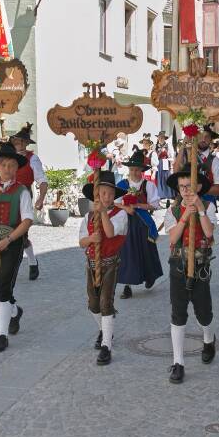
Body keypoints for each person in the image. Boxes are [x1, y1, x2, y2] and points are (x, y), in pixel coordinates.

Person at [163, 165, 217, 384]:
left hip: (201, 265)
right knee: (178, 313)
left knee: (204, 312)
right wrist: (186, 214)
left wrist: (200, 210)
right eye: (182, 187)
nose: (186, 191)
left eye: (190, 186)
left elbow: (209, 232)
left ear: (199, 187)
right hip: (178, 264)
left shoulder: (209, 206)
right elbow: (173, 238)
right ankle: (178, 362)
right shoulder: (172, 211)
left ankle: (208, 338)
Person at [0, 142, 33, 353]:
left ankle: (2, 334)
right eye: (4, 165)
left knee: (3, 287)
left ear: (16, 168)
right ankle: (14, 311)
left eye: (11, 165)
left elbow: (27, 221)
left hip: (13, 242)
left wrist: (9, 239)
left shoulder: (22, 191)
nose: (8, 169)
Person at [78, 170, 128, 366]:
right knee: (93, 304)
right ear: (95, 196)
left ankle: (106, 345)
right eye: (102, 193)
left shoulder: (121, 214)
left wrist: (103, 213)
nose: (106, 197)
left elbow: (109, 231)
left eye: (109, 194)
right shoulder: (88, 216)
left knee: (106, 302)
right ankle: (105, 329)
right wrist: (90, 239)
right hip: (92, 263)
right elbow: (81, 242)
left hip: (110, 263)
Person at [115, 150, 163, 299]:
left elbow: (154, 205)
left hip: (143, 224)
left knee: (146, 251)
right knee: (127, 253)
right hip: (125, 222)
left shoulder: (148, 185)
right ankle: (127, 286)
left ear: (142, 170)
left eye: (137, 169)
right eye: (132, 169)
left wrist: (137, 205)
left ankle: (150, 276)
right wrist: (126, 207)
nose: (134, 172)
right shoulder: (122, 184)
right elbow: (115, 203)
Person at [10, 124, 48, 280]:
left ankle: (32, 262)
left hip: (24, 195)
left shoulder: (33, 158)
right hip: (7, 196)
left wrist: (40, 199)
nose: (18, 145)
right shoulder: (8, 157)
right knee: (7, 231)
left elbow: (42, 181)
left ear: (26, 143)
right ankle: (10, 265)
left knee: (22, 234)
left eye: (20, 142)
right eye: (16, 142)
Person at [154, 131, 174, 202]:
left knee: (166, 178)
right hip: (159, 164)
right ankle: (161, 194)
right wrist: (159, 153)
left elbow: (172, 156)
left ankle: (168, 194)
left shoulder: (168, 146)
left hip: (166, 163)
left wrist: (170, 163)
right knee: (160, 179)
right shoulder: (155, 146)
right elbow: (154, 156)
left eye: (162, 137)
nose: (160, 139)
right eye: (159, 137)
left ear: (164, 138)